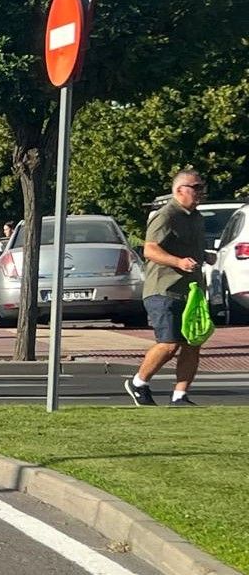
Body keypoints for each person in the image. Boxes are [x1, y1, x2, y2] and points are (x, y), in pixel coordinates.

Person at [125, 171, 215, 407]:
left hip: (191, 291)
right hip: (163, 289)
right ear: (179, 190)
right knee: (169, 344)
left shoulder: (196, 217)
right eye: (195, 187)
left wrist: (204, 256)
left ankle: (180, 396)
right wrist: (178, 262)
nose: (200, 193)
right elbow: (150, 249)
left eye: (201, 188)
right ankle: (138, 382)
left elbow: (186, 246)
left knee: (192, 343)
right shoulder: (166, 215)